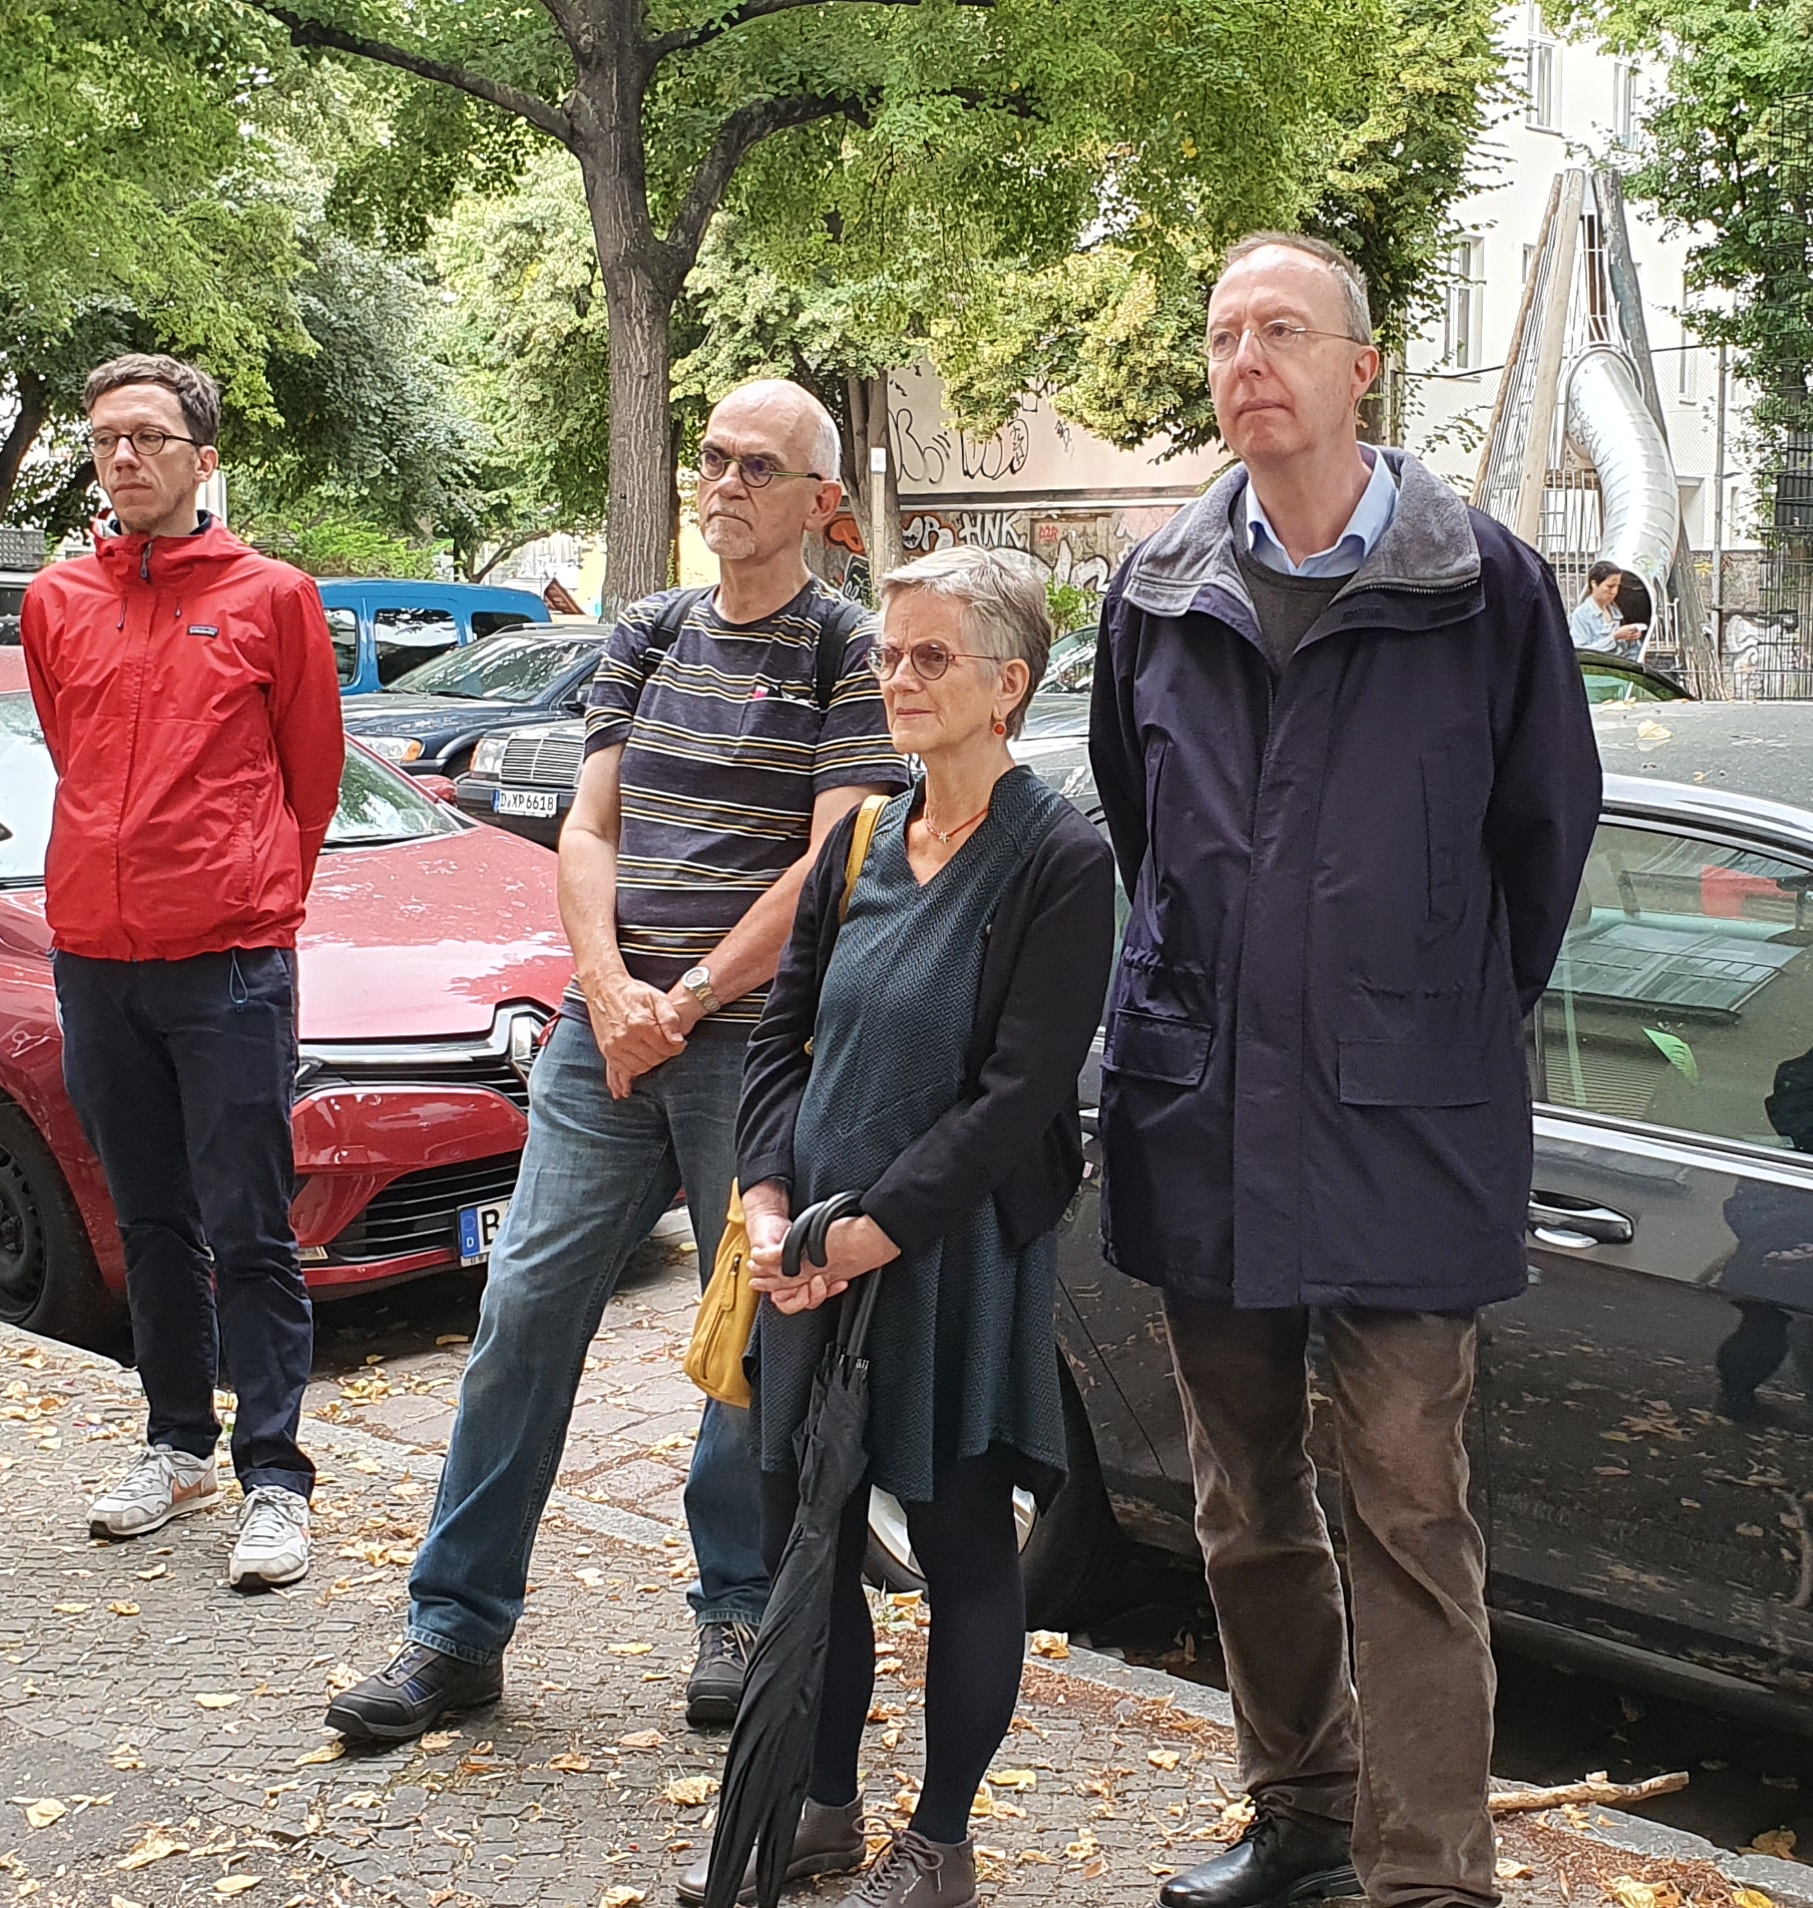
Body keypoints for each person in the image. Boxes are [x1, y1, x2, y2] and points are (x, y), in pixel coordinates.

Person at [1087, 233, 1601, 1908]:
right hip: (1205, 1112)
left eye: (1282, 330)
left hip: (1403, 1121)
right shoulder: (1155, 586)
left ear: (1359, 368)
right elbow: (1140, 831)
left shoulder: (1487, 584)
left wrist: (1426, 1010)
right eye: (1224, 331)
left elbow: (1541, 840)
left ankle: (1429, 1872)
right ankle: (1298, 1812)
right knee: (1241, 1499)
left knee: (1404, 1502)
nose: (1246, 358)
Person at [330, 378, 910, 1743]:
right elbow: (588, 831)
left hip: (755, 1049)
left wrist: (692, 993)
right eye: (710, 458)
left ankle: (738, 1605)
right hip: (612, 1041)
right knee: (524, 1310)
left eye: (757, 467)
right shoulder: (645, 632)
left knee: (744, 1337)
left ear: (822, 504)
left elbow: (831, 862)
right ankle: (454, 1632)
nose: (722, 484)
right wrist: (608, 990)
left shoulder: (846, 648)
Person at [711, 545, 1113, 1908]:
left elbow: (1018, 1097)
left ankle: (940, 1843)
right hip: (807, 1260)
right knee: (801, 1540)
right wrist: (769, 1203)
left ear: (1007, 685)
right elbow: (782, 1037)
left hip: (947, 1267)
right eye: (889, 652)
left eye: (930, 656)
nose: (896, 678)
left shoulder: (1061, 861)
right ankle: (820, 1814)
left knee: (955, 1544)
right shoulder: (864, 834)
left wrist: (871, 1236)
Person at [23, 353, 346, 1592]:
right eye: (107, 439)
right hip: (97, 958)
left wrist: (248, 888)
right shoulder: (56, 601)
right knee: (149, 1219)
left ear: (203, 461)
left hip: (228, 963)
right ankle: (177, 1443)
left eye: (151, 438)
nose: (125, 459)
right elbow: (73, 749)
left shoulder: (273, 599)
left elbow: (306, 776)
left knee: (248, 1225)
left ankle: (276, 1473)